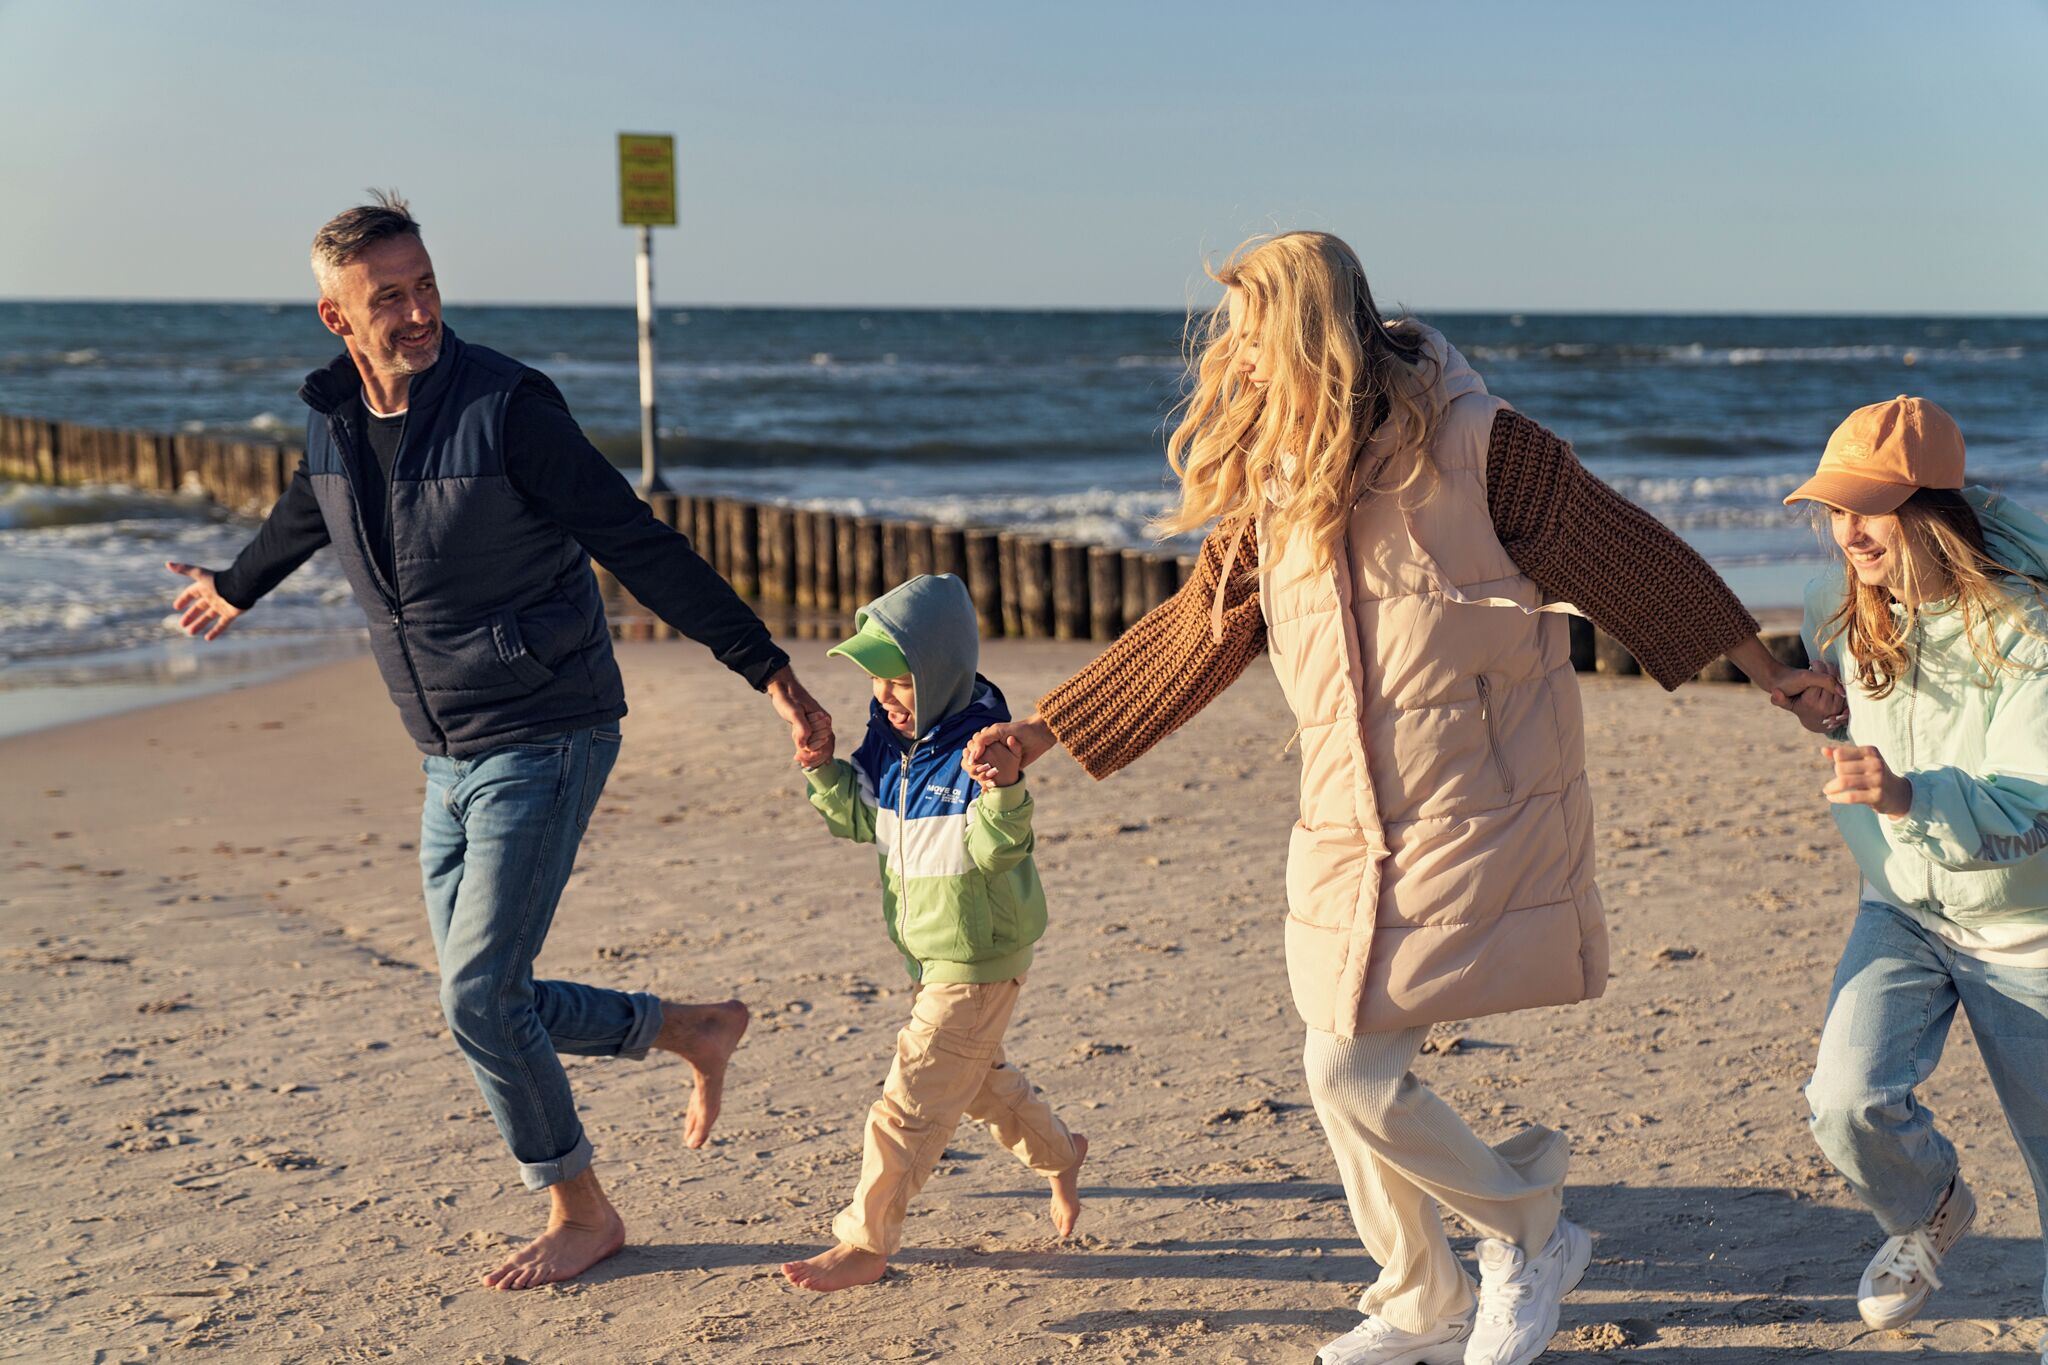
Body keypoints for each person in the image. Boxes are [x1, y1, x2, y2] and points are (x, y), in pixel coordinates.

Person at [965, 231, 1844, 1365]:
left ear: (1305, 331)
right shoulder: (1276, 478)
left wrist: (1765, 670)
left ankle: (1529, 1236)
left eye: (1246, 330)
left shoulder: (1480, 446)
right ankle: (1417, 1299)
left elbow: (1625, 555)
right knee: (1337, 1066)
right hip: (1343, 820)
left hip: (1481, 803)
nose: (1230, 355)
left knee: (1350, 1069)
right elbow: (1199, 630)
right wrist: (1045, 728)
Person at [162, 190, 832, 1291]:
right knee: (489, 996)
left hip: (547, 727)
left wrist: (769, 672)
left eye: (427, 286)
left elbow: (635, 540)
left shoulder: (508, 406)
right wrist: (235, 589)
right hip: (444, 747)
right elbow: (308, 507)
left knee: (477, 999)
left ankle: (583, 1210)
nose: (420, 311)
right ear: (337, 317)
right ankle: (686, 1028)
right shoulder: (333, 418)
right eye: (392, 297)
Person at [1775, 396, 2048, 1341]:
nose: (1847, 531)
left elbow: (2035, 811)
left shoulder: (2027, 636)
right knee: (1844, 1100)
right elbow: (1857, 706)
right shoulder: (1837, 610)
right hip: (1902, 906)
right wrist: (1824, 707)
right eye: (1834, 510)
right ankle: (1930, 1203)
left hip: (2027, 932)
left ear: (1930, 510)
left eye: (1868, 509)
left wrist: (1906, 797)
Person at [781, 573, 1085, 1292]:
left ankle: (866, 1241)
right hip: (932, 951)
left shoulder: (981, 748)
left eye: (900, 683)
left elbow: (998, 847)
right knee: (979, 1086)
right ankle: (1061, 1152)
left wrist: (1006, 787)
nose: (886, 698)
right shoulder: (890, 746)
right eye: (878, 684)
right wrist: (825, 766)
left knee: (910, 1098)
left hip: (979, 955)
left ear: (940, 670)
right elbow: (860, 819)